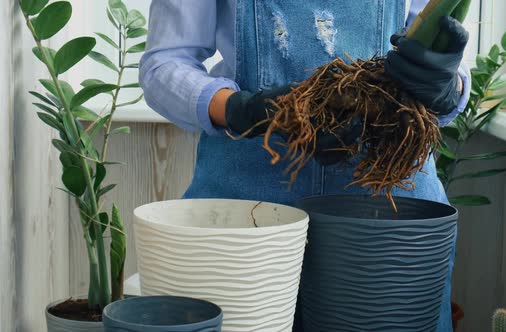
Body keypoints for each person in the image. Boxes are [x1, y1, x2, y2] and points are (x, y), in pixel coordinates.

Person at [139, 1, 471, 331]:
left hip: (387, 208)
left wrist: (444, 84)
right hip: (246, 204)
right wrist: (243, 110)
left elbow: (439, 55)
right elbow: (165, 63)